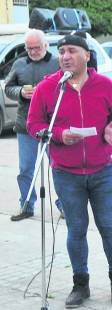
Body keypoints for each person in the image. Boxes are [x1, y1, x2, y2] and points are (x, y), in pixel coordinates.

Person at [27, 33, 112, 308]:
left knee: (109, 227)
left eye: (71, 50)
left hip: (102, 171)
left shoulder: (105, 85)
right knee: (76, 229)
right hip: (66, 172)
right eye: (61, 52)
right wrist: (58, 134)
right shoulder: (48, 88)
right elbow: (33, 124)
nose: (65, 56)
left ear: (86, 55)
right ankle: (80, 284)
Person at [7, 29, 60, 221]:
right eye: (29, 48)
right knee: (26, 169)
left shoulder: (57, 63)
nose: (33, 51)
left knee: (59, 167)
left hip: (52, 124)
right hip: (25, 126)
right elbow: (8, 87)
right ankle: (26, 205)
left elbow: (67, 87)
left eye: (36, 47)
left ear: (46, 45)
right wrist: (20, 92)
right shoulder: (19, 63)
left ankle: (64, 206)